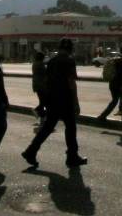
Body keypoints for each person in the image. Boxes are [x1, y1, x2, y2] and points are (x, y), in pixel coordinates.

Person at [22, 39, 87, 168]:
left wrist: (47, 99)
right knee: (70, 127)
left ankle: (31, 151)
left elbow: (47, 80)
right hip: (65, 99)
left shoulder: (52, 61)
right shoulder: (69, 61)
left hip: (53, 99)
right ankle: (72, 156)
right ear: (70, 49)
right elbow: (71, 82)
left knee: (47, 127)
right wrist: (76, 102)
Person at [98, 45, 122, 120]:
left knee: (115, 101)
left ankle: (102, 116)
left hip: (113, 84)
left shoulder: (116, 59)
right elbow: (121, 74)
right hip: (119, 85)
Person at [30, 50, 48, 123]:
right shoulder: (40, 64)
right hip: (41, 85)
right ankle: (37, 111)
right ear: (42, 58)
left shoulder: (35, 64)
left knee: (42, 101)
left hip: (36, 85)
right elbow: (45, 73)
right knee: (44, 102)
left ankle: (42, 118)